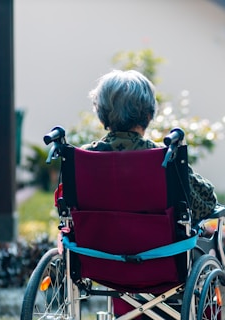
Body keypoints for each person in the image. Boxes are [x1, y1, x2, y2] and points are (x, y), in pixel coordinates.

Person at [81, 69, 217, 222]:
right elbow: (206, 203)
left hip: (95, 243)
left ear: (101, 116)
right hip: (157, 244)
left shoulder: (82, 159)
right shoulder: (165, 156)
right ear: (149, 115)